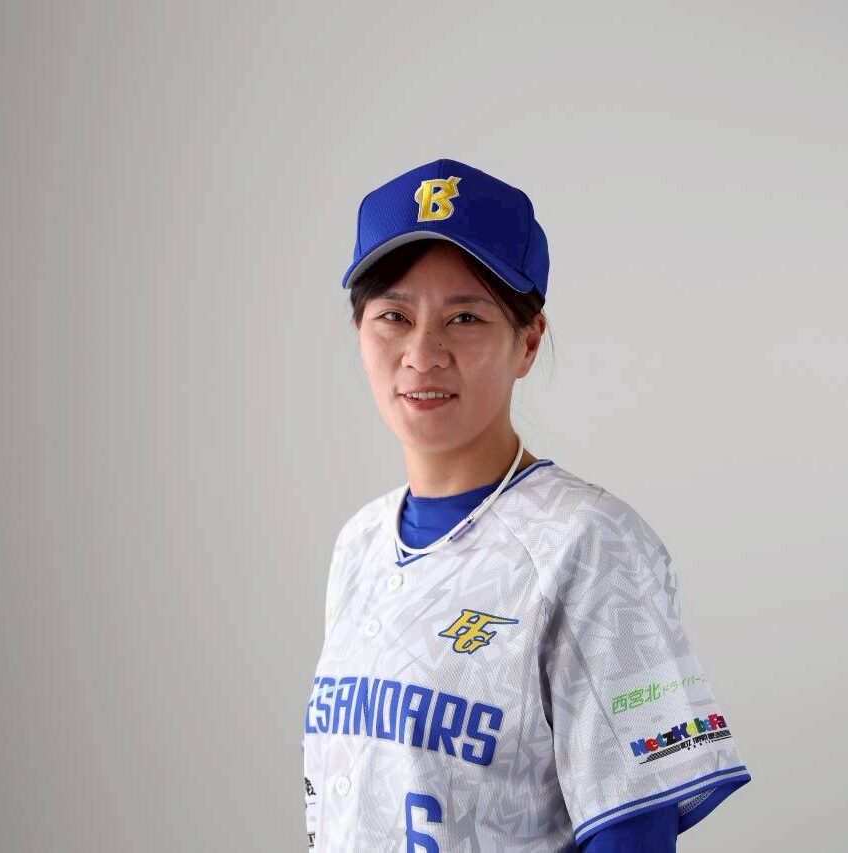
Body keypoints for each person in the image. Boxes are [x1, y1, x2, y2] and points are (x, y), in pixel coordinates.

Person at [302, 158, 751, 851]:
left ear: (528, 342)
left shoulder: (588, 544)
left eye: (464, 317)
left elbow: (633, 833)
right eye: (393, 315)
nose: (422, 353)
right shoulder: (359, 543)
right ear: (359, 330)